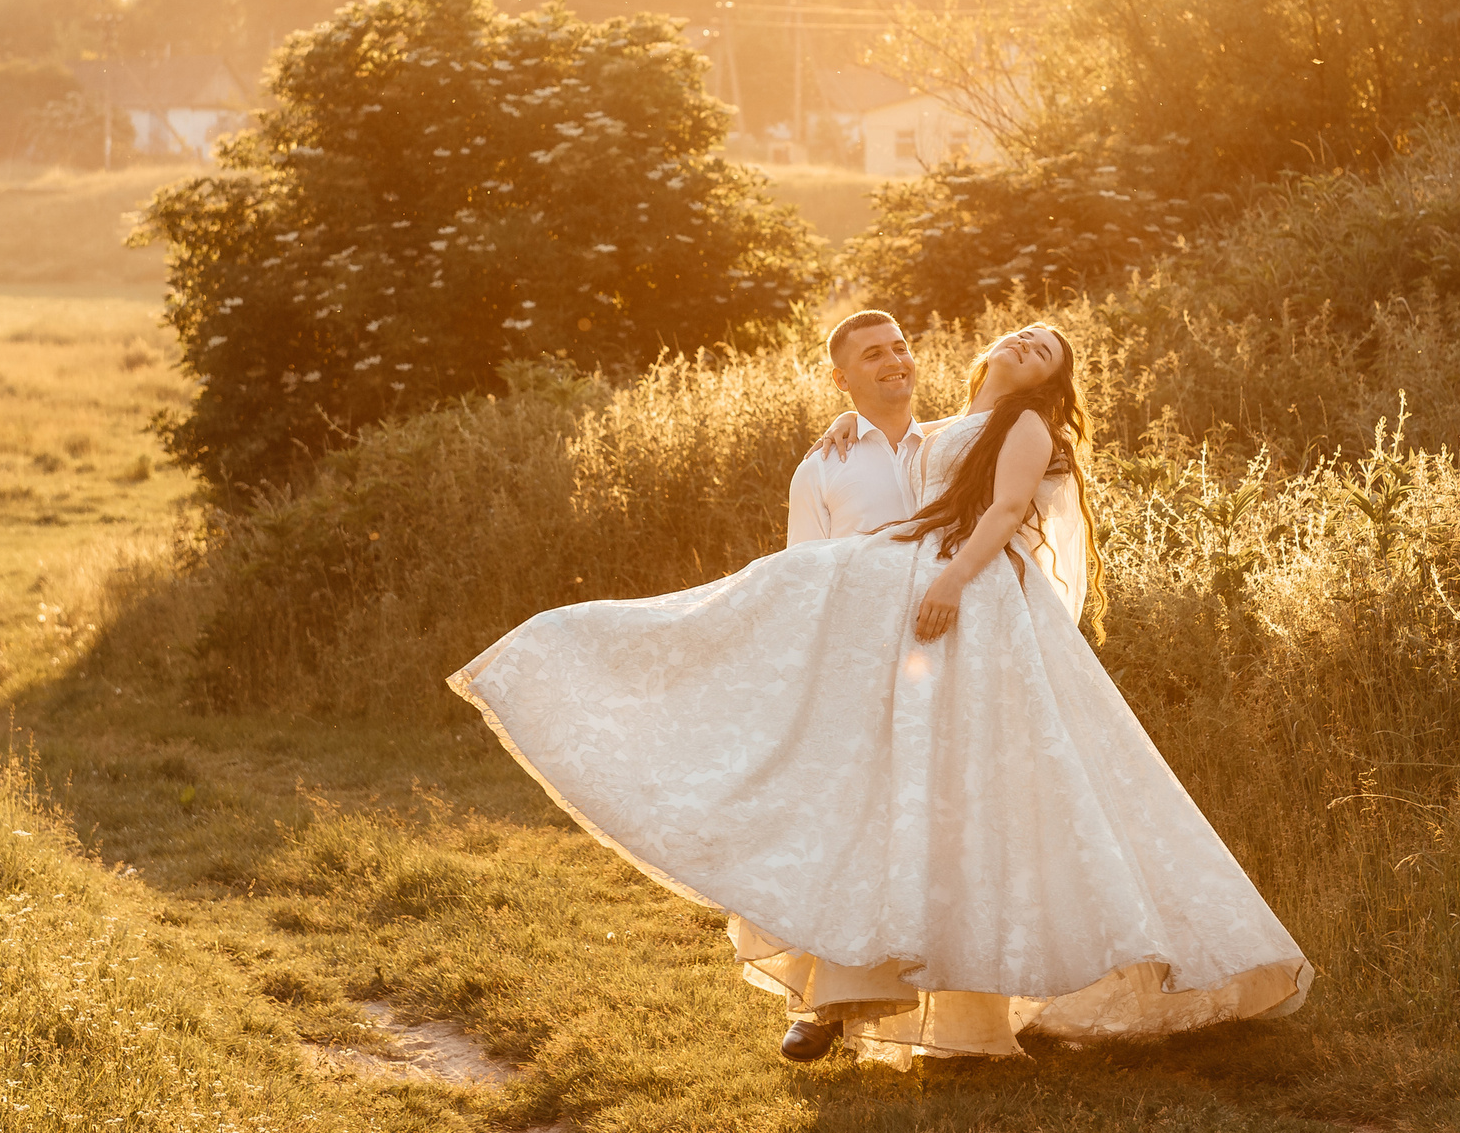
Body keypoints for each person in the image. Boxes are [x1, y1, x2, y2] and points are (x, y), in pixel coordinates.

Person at [448, 322, 1311, 1067]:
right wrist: (850, 424)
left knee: (972, 793)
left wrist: (951, 583)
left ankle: (951, 995)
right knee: (779, 620)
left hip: (960, 604)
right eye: (1022, 332)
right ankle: (585, 658)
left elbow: (1006, 510)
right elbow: (919, 456)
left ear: (1052, 380)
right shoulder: (945, 426)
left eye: (1046, 348)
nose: (1027, 341)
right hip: (898, 602)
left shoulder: (1026, 423)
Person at [786, 310, 923, 546]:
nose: (895, 361)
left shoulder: (949, 447)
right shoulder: (818, 471)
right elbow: (805, 565)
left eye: (900, 349)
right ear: (842, 379)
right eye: (874, 355)